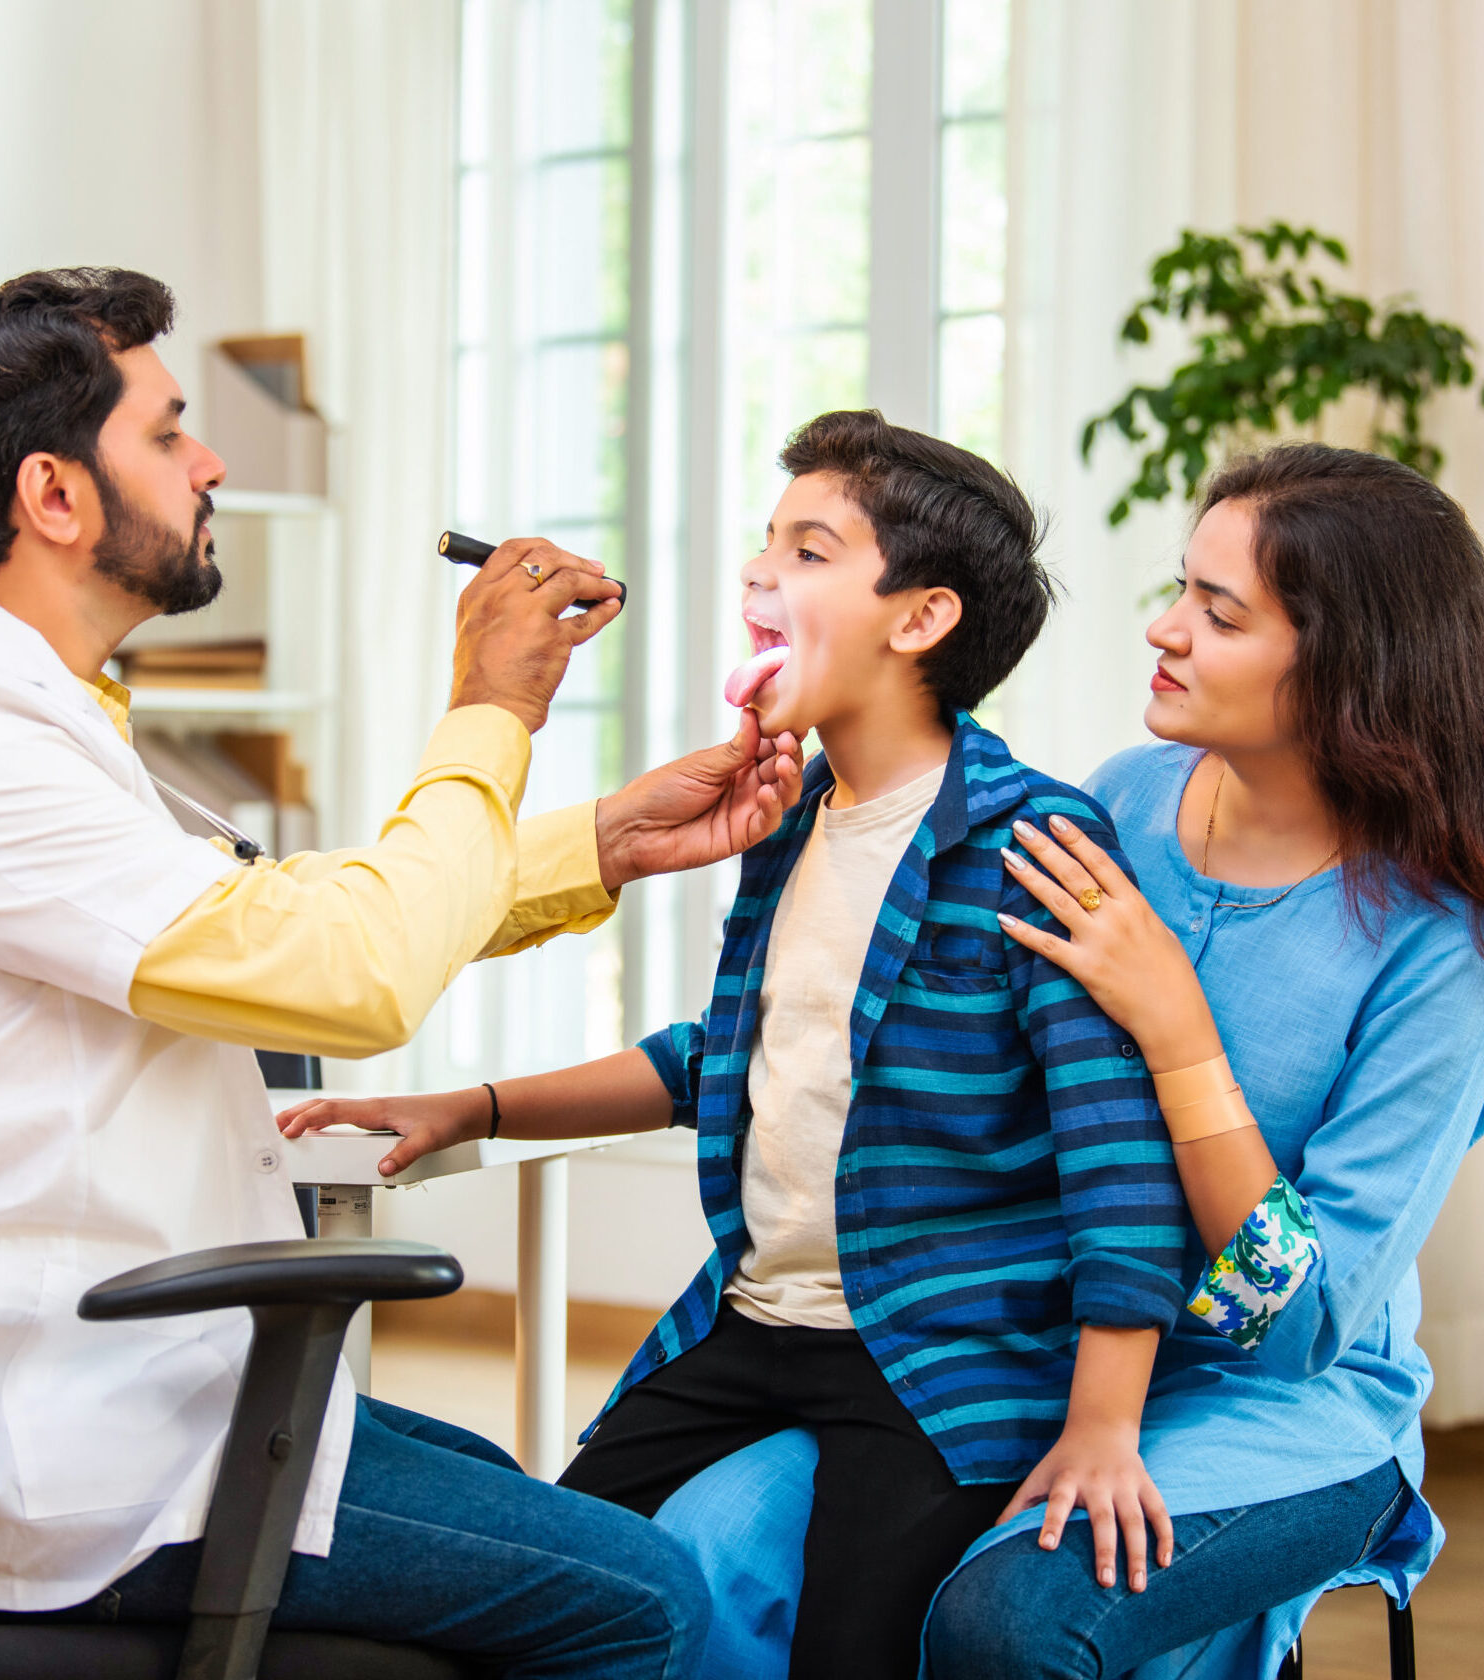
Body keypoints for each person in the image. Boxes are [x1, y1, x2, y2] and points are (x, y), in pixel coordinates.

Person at [0, 267, 808, 1680]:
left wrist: (605, 842)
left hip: (129, 1391)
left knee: (548, 1499)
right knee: (638, 1594)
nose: (209, 462)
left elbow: (274, 918)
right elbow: (351, 977)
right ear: (55, 494)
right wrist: (491, 707)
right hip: (68, 1460)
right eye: (166, 432)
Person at [277, 410, 1192, 1680]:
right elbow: (728, 1057)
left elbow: (1119, 1154)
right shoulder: (790, 812)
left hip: (933, 1353)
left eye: (807, 551)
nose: (761, 573)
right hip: (750, 1322)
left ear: (920, 621)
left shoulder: (1035, 844)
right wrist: (471, 1108)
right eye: (765, 544)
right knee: (569, 1578)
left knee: (850, 1649)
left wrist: (1104, 1424)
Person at [657, 442, 1484, 1680]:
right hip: (1025, 1346)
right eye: (1181, 590)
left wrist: (1178, 1029)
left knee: (1003, 1627)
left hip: (1280, 1412)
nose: (1166, 629)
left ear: (1347, 660)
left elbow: (1294, 1319)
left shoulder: (1441, 949)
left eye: (1219, 612)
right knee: (691, 1564)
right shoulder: (1125, 801)